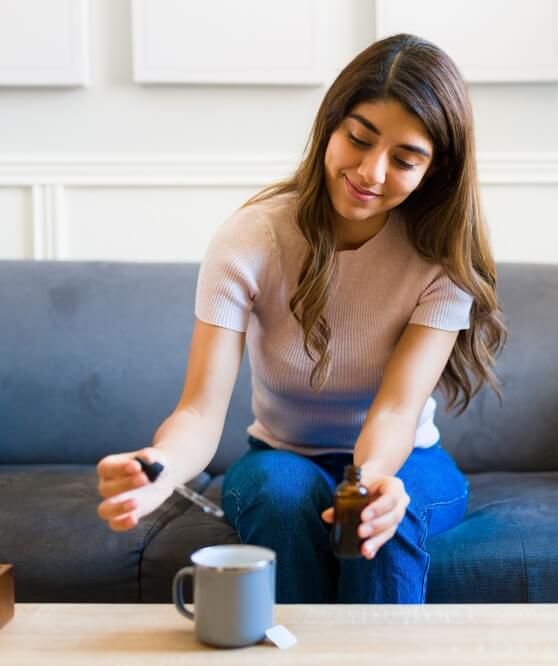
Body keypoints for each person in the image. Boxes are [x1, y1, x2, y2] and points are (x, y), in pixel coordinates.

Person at [94, 33, 506, 604]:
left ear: (435, 170)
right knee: (282, 495)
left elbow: (396, 409)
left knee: (378, 519)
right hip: (282, 456)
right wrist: (158, 465)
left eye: (405, 159)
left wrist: (370, 485)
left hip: (405, 456)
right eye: (358, 139)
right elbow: (199, 410)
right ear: (330, 125)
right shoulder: (250, 239)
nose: (371, 171)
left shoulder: (442, 261)